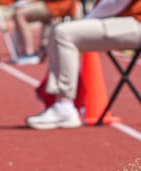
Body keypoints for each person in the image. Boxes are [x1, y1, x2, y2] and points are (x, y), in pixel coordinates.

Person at [25, 0, 141, 130]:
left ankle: (64, 106)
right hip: (128, 19)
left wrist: (88, 18)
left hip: (135, 21)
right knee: (61, 31)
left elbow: (116, 3)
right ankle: (63, 103)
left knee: (62, 33)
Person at [12, 0, 79, 65]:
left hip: (57, 7)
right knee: (19, 12)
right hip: (57, 6)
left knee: (19, 14)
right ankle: (42, 48)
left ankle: (29, 53)